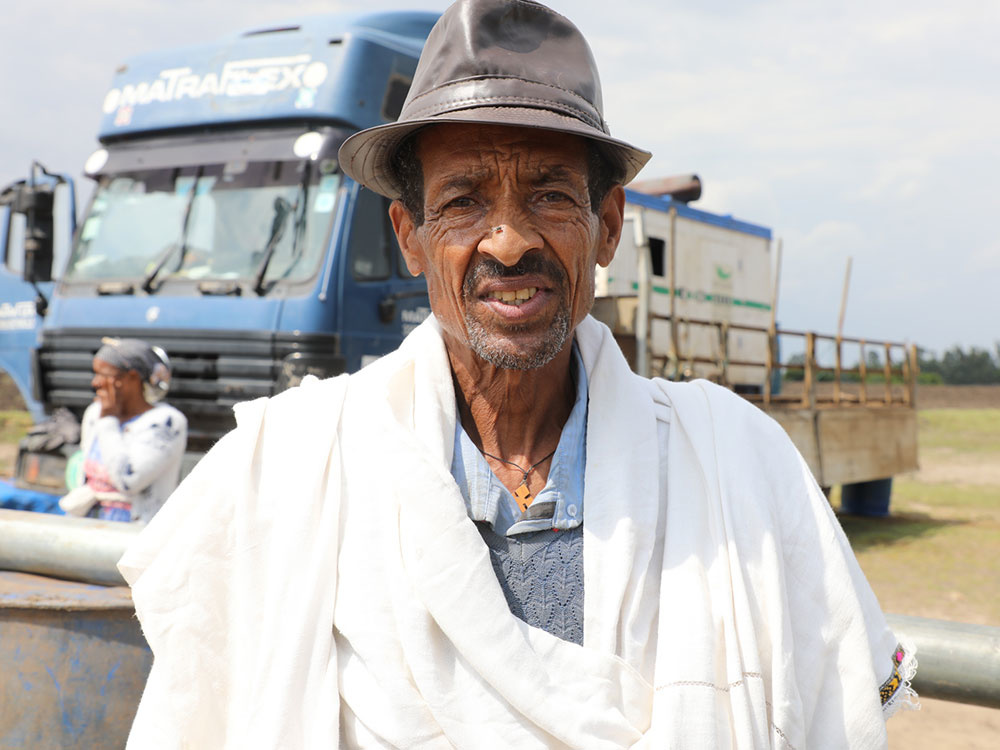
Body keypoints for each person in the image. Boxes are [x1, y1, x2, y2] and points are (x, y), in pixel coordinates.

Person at [120, 1, 917, 747]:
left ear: (606, 228)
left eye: (549, 195)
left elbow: (840, 707)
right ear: (411, 235)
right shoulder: (287, 469)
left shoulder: (739, 461)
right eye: (464, 200)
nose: (508, 242)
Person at [60, 337, 187, 523]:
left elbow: (128, 481)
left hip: (134, 532)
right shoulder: (95, 413)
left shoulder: (166, 423)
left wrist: (108, 420)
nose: (96, 383)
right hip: (86, 526)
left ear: (132, 379)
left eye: (104, 375)